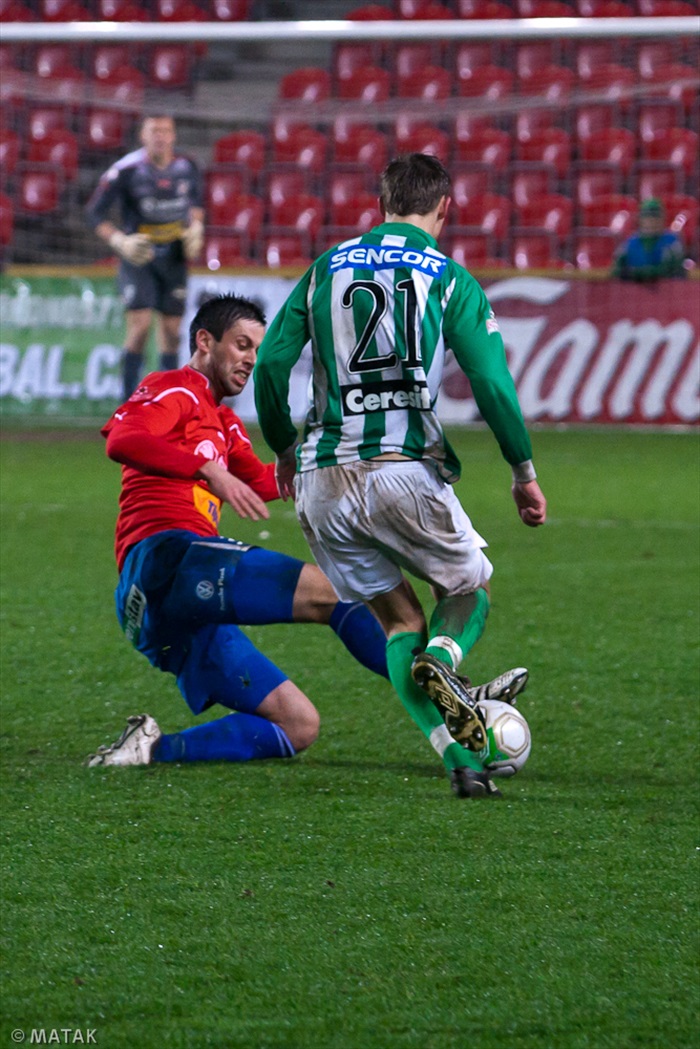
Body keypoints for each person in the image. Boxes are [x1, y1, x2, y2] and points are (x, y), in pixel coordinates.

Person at [86, 292, 523, 770]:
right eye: (240, 344)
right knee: (338, 594)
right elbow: (123, 439)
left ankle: (147, 749)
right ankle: (448, 688)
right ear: (204, 341)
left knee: (297, 726)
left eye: (257, 349)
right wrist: (208, 472)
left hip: (167, 608)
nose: (251, 359)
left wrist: (335, 454)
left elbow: (265, 481)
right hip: (165, 559)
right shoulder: (175, 388)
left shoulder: (226, 423)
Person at [254, 153, 547, 800]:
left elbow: (272, 366)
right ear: (446, 208)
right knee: (470, 588)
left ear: (382, 203)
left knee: (398, 621)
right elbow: (493, 386)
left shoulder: (328, 266)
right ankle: (445, 664)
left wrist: (281, 448)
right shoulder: (449, 278)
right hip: (401, 468)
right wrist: (522, 471)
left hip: (322, 480)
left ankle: (456, 759)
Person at [86, 113, 205, 402]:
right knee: (139, 327)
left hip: (174, 256)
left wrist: (197, 229)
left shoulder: (187, 167)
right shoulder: (126, 170)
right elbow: (93, 213)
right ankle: (128, 403)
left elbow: (196, 206)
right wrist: (118, 240)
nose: (160, 136)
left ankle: (165, 403)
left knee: (173, 332)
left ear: (174, 136)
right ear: (143, 136)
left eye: (166, 130)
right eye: (154, 131)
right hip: (139, 256)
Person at [612, 197, 687, 282]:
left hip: (667, 291)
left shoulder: (672, 242)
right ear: (640, 219)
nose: (652, 221)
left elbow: (672, 270)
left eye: (656, 217)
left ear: (663, 219)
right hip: (633, 292)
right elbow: (616, 271)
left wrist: (638, 273)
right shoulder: (629, 244)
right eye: (647, 217)